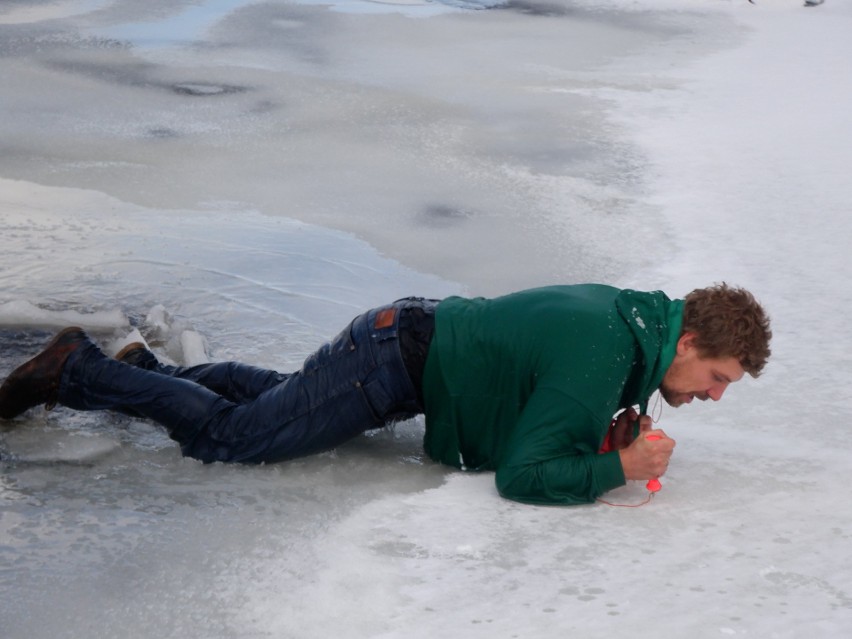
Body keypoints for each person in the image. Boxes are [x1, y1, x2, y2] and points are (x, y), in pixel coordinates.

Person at [0, 283, 771, 505]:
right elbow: (523, 476)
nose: (713, 396)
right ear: (692, 342)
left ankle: (140, 365)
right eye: (716, 379)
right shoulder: (605, 354)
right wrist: (618, 467)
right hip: (392, 362)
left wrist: (610, 422)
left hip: (405, 340)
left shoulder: (632, 324)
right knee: (235, 438)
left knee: (277, 398)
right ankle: (80, 370)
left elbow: (545, 383)